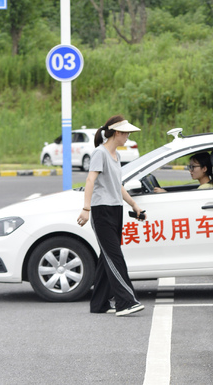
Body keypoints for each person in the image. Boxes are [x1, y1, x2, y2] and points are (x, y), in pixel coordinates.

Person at [77, 115, 146, 316]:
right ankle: (126, 302)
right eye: (126, 133)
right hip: (101, 212)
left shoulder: (116, 156)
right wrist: (86, 208)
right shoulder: (100, 153)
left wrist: (134, 204)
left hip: (116, 210)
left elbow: (118, 186)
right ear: (116, 133)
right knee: (115, 257)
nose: (128, 137)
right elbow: (90, 180)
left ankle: (99, 303)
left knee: (106, 258)